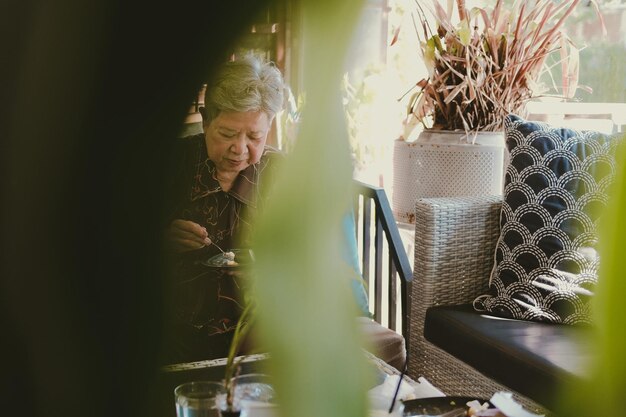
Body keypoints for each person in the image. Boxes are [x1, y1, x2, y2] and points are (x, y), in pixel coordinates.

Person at [160, 54, 285, 364]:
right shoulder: (167, 166)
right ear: (205, 121)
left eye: (255, 136)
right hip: (174, 333)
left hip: (261, 333)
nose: (240, 149)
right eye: (228, 134)